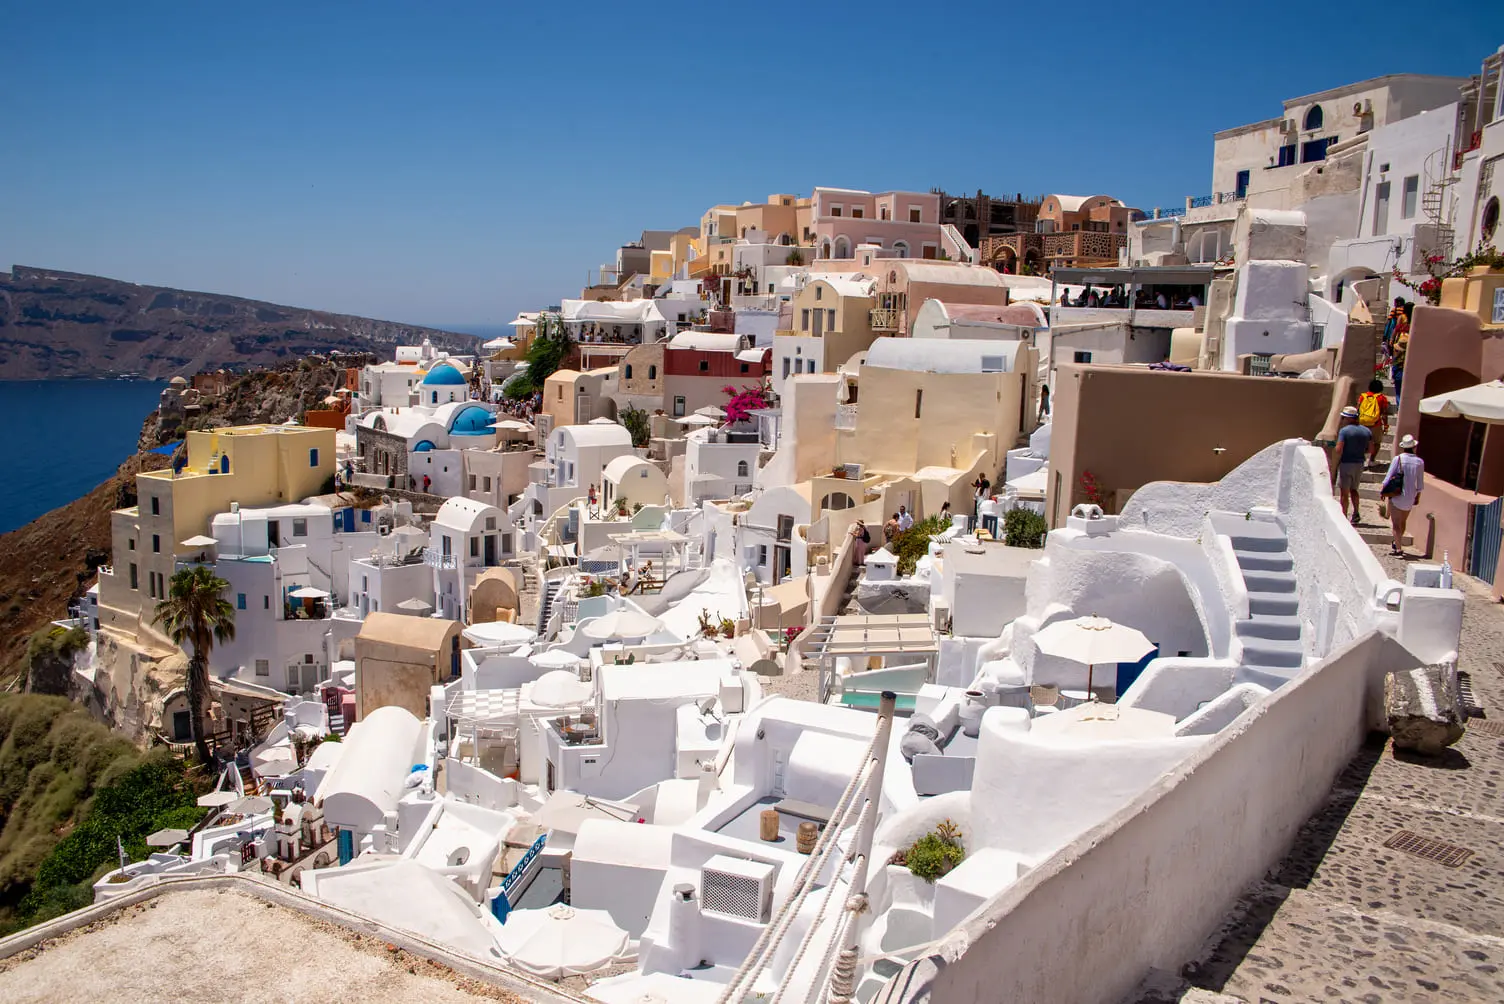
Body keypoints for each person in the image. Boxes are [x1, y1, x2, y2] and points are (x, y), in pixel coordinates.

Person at [1382, 434, 1425, 556]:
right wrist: (1417, 497)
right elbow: (1420, 483)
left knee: (1395, 524)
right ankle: (1397, 543)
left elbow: (1388, 476)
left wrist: (1383, 490)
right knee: (1403, 522)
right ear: (1414, 447)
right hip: (1410, 496)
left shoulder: (1398, 459)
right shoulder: (1419, 462)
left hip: (1397, 494)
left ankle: (1399, 548)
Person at [1332, 405, 1371, 525]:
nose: (1342, 420)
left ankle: (1343, 516)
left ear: (1348, 419)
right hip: (1359, 464)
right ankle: (1356, 513)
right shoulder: (1366, 431)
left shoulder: (1344, 431)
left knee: (1344, 492)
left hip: (1346, 463)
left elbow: (1339, 449)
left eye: (1343, 418)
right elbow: (1371, 449)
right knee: (1354, 490)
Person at [1357, 378, 1390, 464]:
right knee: (1377, 443)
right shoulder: (1382, 398)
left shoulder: (1362, 396)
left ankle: (1361, 459)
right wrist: (1386, 425)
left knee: (1361, 443)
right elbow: (1384, 413)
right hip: (1376, 424)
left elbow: (1358, 410)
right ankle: (1371, 460)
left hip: (1362, 423)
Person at [1391, 303, 1412, 401]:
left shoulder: (1402, 320)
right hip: (1407, 348)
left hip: (1401, 347)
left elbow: (1395, 330)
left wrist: (1391, 340)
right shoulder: (1415, 322)